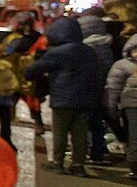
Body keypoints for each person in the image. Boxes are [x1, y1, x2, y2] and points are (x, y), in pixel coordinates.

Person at [26, 17, 99, 177]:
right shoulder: (89, 51)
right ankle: (78, 165)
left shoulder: (58, 53)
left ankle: (58, 163)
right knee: (80, 133)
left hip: (63, 100)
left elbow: (34, 70)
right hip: (86, 99)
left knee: (60, 132)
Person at [77, 14, 115, 166]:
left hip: (85, 90)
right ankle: (99, 152)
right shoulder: (107, 45)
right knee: (97, 122)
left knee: (83, 123)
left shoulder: (84, 48)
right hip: (101, 90)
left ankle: (86, 152)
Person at [105, 34, 137, 178]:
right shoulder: (122, 65)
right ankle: (135, 165)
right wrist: (111, 105)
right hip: (130, 106)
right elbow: (113, 87)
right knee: (134, 135)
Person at [8, 12, 46, 133]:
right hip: (25, 73)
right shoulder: (37, 37)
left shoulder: (17, 38)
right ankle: (37, 124)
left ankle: (37, 124)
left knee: (27, 100)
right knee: (27, 100)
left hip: (23, 74)